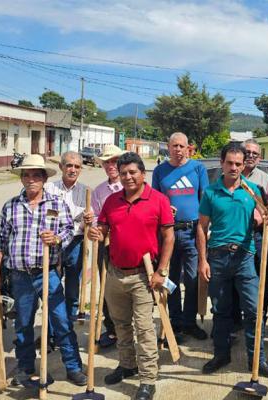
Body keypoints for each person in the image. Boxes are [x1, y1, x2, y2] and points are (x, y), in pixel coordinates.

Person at [0, 154, 88, 387]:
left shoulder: (56, 205)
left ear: (44, 178)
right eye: (27, 175)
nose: (31, 179)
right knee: (23, 324)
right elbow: (0, 240)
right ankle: (25, 368)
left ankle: (73, 367)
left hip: (47, 274)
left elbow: (67, 230)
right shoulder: (11, 206)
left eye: (36, 175)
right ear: (21, 178)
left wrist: (56, 239)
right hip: (20, 275)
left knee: (61, 320)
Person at [88, 152, 174, 400]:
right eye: (123, 173)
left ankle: (147, 379)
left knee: (145, 328)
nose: (128, 177)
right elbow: (104, 228)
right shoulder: (112, 201)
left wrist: (162, 271)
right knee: (120, 325)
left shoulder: (158, 200)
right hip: (115, 273)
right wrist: (97, 232)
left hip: (144, 276)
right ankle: (127, 365)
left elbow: (169, 237)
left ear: (142, 174)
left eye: (132, 172)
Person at [196, 142, 268, 378]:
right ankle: (221, 355)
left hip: (245, 257)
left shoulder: (253, 191)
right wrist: (203, 261)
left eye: (238, 164)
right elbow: (201, 228)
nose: (234, 167)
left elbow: (265, 217)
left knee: (253, 311)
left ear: (244, 166)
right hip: (218, 258)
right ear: (222, 164)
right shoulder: (211, 192)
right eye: (229, 163)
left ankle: (258, 361)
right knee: (220, 310)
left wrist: (267, 218)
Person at [151, 132, 209, 340]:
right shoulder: (160, 171)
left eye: (181, 146)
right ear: (168, 147)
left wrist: (206, 228)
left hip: (193, 232)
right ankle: (174, 323)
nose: (177, 150)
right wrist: (165, 208)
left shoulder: (198, 168)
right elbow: (155, 199)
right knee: (171, 278)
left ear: (188, 148)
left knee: (193, 280)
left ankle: (189, 322)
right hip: (169, 233)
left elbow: (205, 198)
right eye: (174, 146)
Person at [44, 151, 93, 322]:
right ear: (61, 167)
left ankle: (69, 326)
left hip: (76, 244)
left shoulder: (86, 191)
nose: (72, 170)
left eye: (77, 166)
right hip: (53, 243)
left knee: (73, 288)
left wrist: (89, 220)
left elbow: (92, 221)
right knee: (52, 287)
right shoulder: (49, 188)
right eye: (69, 165)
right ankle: (52, 332)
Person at [231, 139, 268, 330]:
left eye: (255, 153)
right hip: (233, 236)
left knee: (257, 278)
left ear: (260, 157)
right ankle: (235, 319)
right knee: (234, 279)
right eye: (247, 152)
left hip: (257, 236)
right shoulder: (230, 175)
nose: (251, 156)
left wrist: (262, 216)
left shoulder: (265, 180)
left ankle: (259, 318)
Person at [90, 144, 127, 348]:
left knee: (130, 286)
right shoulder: (99, 191)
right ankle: (111, 329)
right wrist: (96, 227)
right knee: (106, 286)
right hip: (106, 245)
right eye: (107, 162)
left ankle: (128, 329)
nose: (111, 166)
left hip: (128, 245)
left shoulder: (130, 184)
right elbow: (96, 216)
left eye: (114, 161)